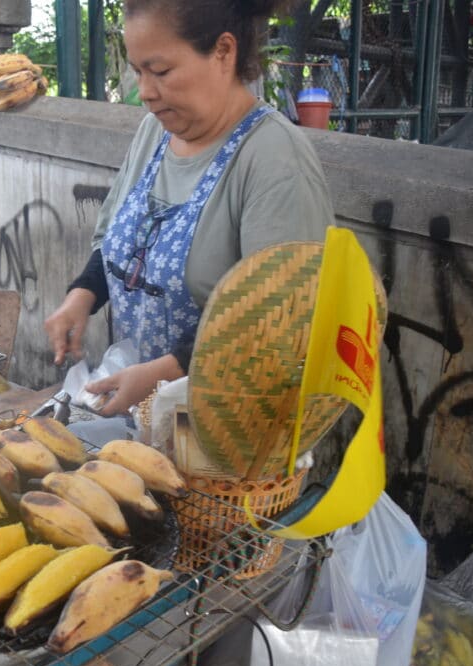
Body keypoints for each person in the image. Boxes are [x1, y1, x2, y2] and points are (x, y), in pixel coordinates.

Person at [44, 0, 334, 416]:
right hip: (140, 419)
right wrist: (82, 295)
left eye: (160, 71)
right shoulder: (154, 133)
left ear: (223, 52)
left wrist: (167, 373)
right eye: (138, 70)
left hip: (227, 438)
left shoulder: (275, 160)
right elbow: (115, 242)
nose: (144, 91)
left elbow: (278, 325)